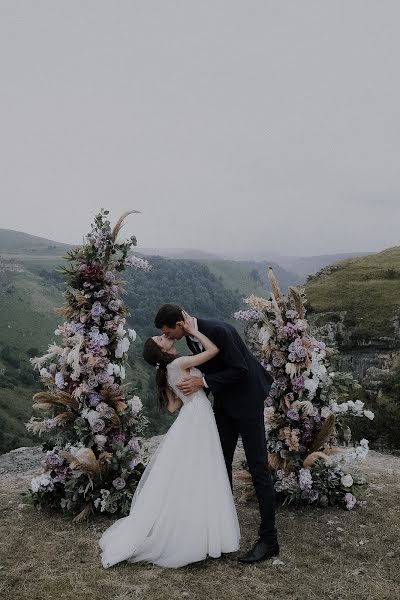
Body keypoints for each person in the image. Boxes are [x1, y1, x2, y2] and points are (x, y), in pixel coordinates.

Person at [99, 312, 240, 568]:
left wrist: (185, 391)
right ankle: (203, 527)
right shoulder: (178, 364)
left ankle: (192, 520)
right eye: (160, 338)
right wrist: (193, 331)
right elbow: (213, 349)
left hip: (189, 414)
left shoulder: (167, 372)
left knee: (191, 469)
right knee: (205, 466)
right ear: (161, 349)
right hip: (199, 415)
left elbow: (173, 406)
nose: (164, 336)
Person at [154, 304, 279, 563]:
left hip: (246, 401)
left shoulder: (219, 330)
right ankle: (221, 531)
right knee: (219, 464)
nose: (167, 338)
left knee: (258, 468)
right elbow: (209, 368)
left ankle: (269, 540)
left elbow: (240, 369)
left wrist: (204, 383)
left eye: (168, 333)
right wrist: (195, 403)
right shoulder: (191, 339)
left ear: (179, 324)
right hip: (223, 404)